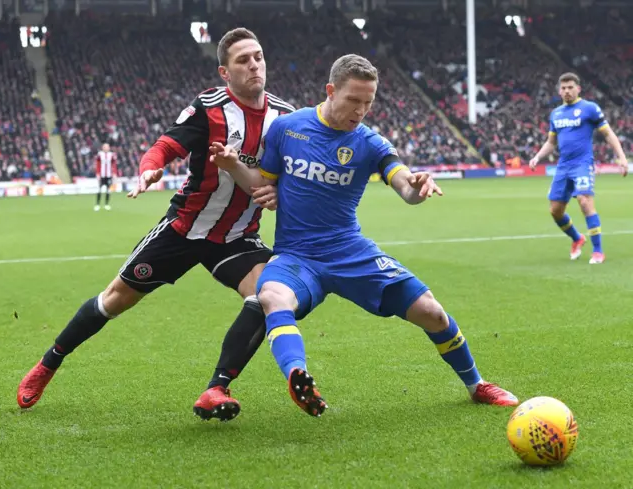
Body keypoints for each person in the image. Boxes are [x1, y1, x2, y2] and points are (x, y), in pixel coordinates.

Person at [210, 54, 518, 417]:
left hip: (350, 251)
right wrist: (232, 166)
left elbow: (403, 185)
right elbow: (263, 186)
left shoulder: (371, 143)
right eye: (353, 100)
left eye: (368, 102)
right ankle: (297, 375)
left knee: (431, 312)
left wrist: (417, 188)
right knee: (272, 297)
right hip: (296, 255)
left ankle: (476, 384)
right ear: (330, 90)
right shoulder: (286, 129)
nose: (361, 110)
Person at [17, 27, 294, 421]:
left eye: (258, 56)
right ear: (224, 72)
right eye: (243, 60)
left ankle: (216, 388)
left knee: (270, 293)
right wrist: (149, 170)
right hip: (184, 228)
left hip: (237, 237)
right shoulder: (210, 108)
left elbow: (293, 175)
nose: (254, 65)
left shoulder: (285, 118)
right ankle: (48, 364)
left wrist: (278, 192)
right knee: (114, 300)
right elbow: (166, 146)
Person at [529, 72, 628, 264]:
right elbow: (551, 142)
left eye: (570, 87)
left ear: (578, 89)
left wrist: (621, 157)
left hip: (582, 164)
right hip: (563, 166)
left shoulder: (589, 108)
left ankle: (598, 251)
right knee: (555, 210)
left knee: (585, 202)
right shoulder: (556, 114)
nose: (566, 91)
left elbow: (608, 134)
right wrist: (537, 156)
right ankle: (577, 238)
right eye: (563, 88)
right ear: (559, 91)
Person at [95, 143, 117, 211]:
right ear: (102, 148)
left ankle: (106, 204)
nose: (106, 148)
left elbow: (114, 165)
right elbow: (97, 164)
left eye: (107, 147)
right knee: (99, 190)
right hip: (102, 175)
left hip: (109, 175)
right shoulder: (100, 154)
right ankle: (97, 205)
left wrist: (114, 173)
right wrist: (98, 174)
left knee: (108, 190)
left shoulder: (111, 155)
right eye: (105, 147)